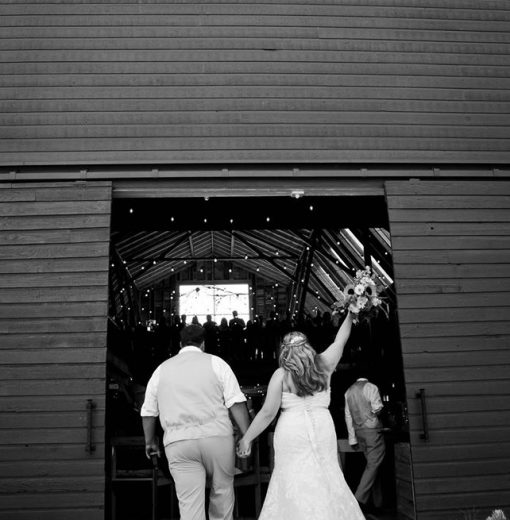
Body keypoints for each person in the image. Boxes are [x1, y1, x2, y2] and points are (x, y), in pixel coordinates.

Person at [237, 313, 365, 520]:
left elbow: (268, 413)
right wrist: (350, 314)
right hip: (323, 425)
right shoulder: (325, 364)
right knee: (326, 472)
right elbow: (341, 339)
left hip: (291, 430)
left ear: (284, 351)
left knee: (291, 477)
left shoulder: (280, 375)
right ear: (308, 347)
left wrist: (247, 438)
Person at [141, 324, 251, 520]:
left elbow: (149, 412)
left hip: (179, 443)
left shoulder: (161, 370)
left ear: (180, 343)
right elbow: (236, 401)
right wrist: (247, 435)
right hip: (217, 440)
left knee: (190, 509)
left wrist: (150, 442)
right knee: (222, 495)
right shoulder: (216, 363)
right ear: (203, 344)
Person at [344, 369, 386, 514]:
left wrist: (352, 438)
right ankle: (358, 500)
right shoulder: (371, 387)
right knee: (374, 465)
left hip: (359, 432)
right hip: (372, 431)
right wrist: (374, 414)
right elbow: (377, 407)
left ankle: (377, 504)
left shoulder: (349, 391)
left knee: (373, 466)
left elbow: (348, 416)